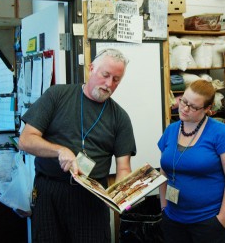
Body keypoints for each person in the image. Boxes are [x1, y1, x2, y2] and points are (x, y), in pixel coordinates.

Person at [18, 48, 136, 243]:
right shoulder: (57, 95)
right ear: (91, 69)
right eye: (105, 75)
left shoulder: (120, 117)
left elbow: (124, 168)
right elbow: (25, 140)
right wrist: (59, 150)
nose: (109, 84)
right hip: (50, 192)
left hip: (91, 198)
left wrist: (123, 195)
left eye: (116, 80)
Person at [158, 79, 225, 243]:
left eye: (193, 107)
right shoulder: (171, 130)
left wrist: (221, 218)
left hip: (207, 221)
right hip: (173, 218)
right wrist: (164, 206)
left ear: (208, 109)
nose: (185, 109)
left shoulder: (220, 133)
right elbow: (164, 170)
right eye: (183, 102)